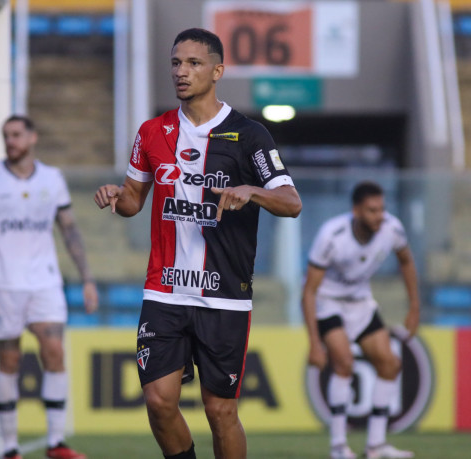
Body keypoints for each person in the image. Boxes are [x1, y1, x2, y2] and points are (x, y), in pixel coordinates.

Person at [94, 28, 302, 459]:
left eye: (193, 63)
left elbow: (291, 202)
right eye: (175, 63)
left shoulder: (249, 135)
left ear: (218, 70)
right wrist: (117, 196)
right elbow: (135, 202)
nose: (181, 72)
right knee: (158, 401)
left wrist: (252, 190)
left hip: (223, 296)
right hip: (165, 289)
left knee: (220, 411)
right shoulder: (152, 132)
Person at [0, 115, 99, 459]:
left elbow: (70, 230)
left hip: (44, 281)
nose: (10, 141)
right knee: (9, 360)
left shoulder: (52, 179)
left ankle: (56, 443)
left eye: (16, 135)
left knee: (55, 353)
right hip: (2, 283)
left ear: (32, 137)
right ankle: (10, 448)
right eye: (6, 136)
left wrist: (87, 278)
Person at [301, 181, 420, 459]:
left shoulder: (392, 228)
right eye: (372, 210)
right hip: (328, 304)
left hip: (361, 303)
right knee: (344, 362)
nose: (379, 215)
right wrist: (314, 342)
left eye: (381, 209)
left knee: (390, 365)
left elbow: (406, 260)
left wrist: (414, 306)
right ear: (356, 210)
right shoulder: (332, 235)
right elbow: (308, 291)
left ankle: (376, 446)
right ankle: (339, 447)